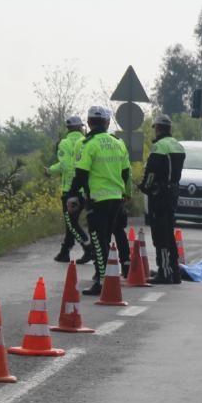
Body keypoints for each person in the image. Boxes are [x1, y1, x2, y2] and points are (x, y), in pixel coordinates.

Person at [69, 106, 131, 296]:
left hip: (98, 199)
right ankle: (110, 275)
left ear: (88, 123)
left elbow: (81, 173)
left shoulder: (90, 144)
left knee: (98, 240)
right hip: (116, 199)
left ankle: (102, 280)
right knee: (108, 237)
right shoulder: (118, 143)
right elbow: (126, 172)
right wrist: (126, 193)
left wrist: (73, 195)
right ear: (107, 123)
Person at [139, 114, 186, 284]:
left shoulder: (159, 146)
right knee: (169, 234)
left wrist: (144, 186)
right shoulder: (178, 146)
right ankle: (174, 272)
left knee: (160, 235)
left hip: (159, 195)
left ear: (158, 128)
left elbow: (152, 172)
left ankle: (164, 272)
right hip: (173, 193)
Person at [49, 115, 93, 263]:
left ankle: (88, 247)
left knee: (71, 223)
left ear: (68, 128)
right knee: (71, 222)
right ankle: (65, 252)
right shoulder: (87, 141)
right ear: (80, 127)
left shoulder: (65, 143)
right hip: (86, 188)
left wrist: (49, 170)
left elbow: (64, 166)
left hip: (70, 190)